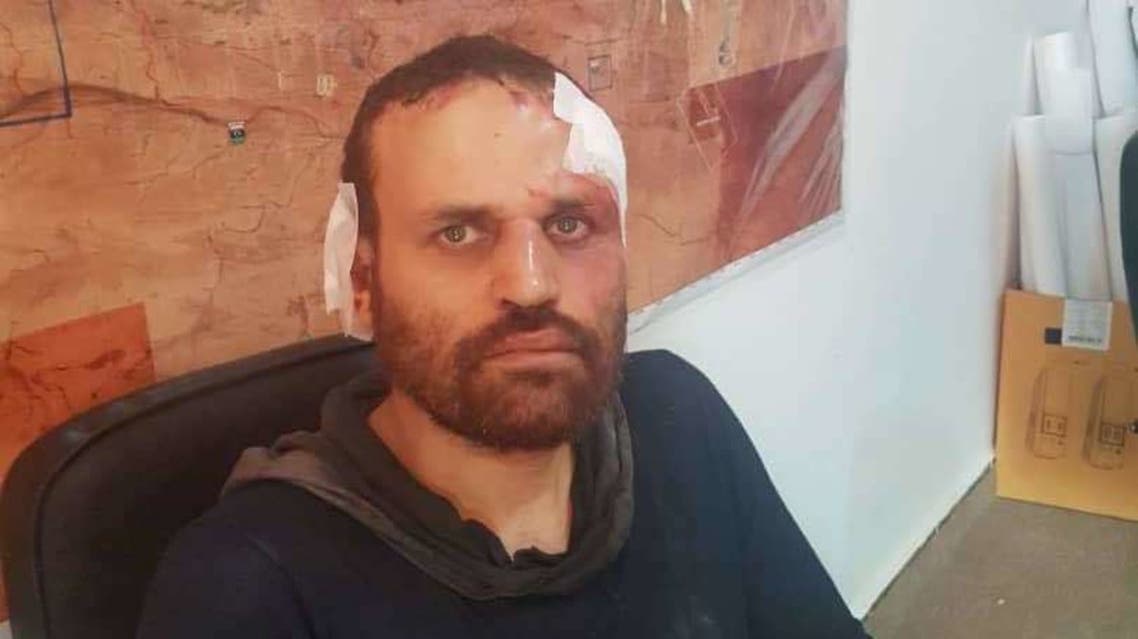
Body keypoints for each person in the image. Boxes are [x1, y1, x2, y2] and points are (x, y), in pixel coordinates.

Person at [138, 34, 868, 638]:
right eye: (459, 232)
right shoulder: (249, 585)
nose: (531, 284)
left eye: (569, 224)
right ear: (362, 282)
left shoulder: (679, 418)